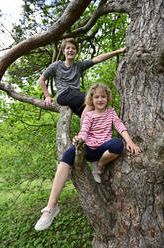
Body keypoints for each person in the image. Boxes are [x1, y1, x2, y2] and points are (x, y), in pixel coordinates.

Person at [35, 83, 141, 231]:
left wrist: (130, 141)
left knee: (118, 144)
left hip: (104, 149)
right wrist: (79, 139)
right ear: (91, 99)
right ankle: (50, 208)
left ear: (107, 98)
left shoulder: (111, 112)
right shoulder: (90, 115)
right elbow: (84, 130)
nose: (100, 100)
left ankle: (98, 166)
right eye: (96, 97)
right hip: (89, 148)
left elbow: (119, 125)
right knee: (67, 155)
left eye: (103, 96)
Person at [39, 38, 126, 118]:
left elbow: (98, 59)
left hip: (75, 96)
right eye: (68, 48)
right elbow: (41, 79)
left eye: (73, 48)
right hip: (64, 94)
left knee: (92, 115)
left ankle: (88, 133)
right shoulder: (56, 65)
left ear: (76, 52)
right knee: (93, 98)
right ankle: (82, 134)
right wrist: (47, 96)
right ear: (63, 51)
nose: (70, 50)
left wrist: (118, 51)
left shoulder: (79, 66)